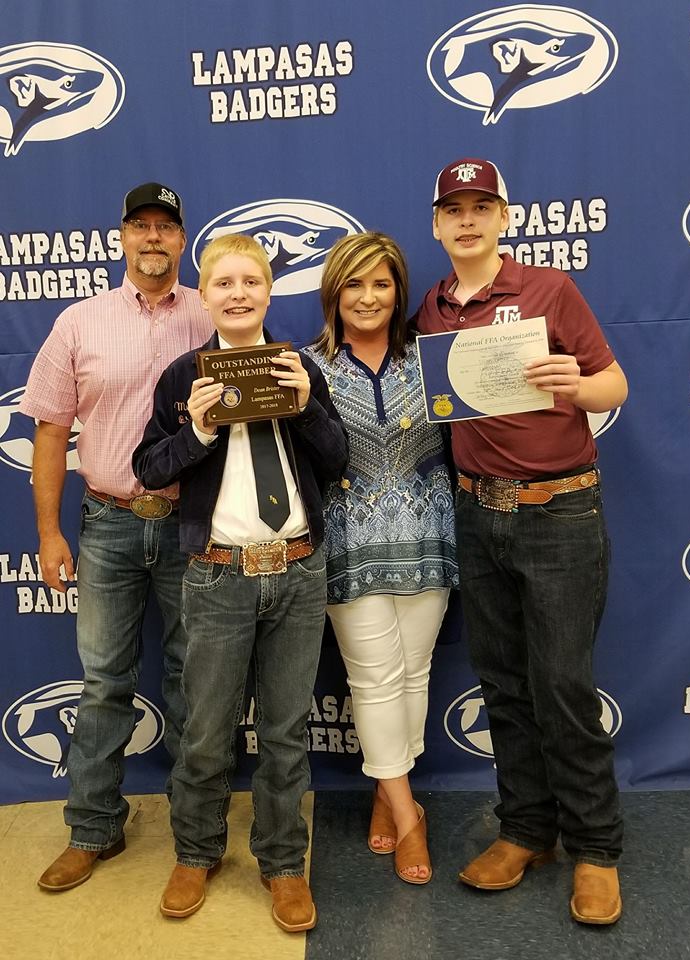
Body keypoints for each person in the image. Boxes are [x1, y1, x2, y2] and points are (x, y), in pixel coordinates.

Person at [416, 157, 627, 924]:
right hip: (478, 513)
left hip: (559, 513)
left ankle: (596, 847)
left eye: (482, 206)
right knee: (502, 682)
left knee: (563, 684)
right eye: (454, 209)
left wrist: (578, 384)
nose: (467, 219)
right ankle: (527, 830)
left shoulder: (549, 289)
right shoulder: (432, 310)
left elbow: (614, 385)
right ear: (437, 224)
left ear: (504, 217)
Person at [132, 233, 347, 932]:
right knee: (206, 731)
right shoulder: (182, 375)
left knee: (286, 731)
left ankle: (284, 864)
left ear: (268, 288)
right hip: (219, 574)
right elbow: (147, 466)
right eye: (222, 283)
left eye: (250, 281)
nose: (238, 293)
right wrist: (194, 430)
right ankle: (196, 852)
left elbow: (338, 458)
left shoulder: (297, 365)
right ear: (206, 293)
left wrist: (308, 402)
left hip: (297, 567)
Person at [20, 182, 212, 892]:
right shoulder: (79, 321)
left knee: (197, 682)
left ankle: (199, 836)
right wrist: (48, 533)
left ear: (183, 240)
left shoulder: (211, 310)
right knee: (104, 683)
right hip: (106, 523)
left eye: (167, 226)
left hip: (194, 524)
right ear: (122, 237)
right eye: (142, 226)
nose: (154, 237)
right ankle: (94, 828)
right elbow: (48, 430)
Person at [304, 232, 458, 885]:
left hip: (428, 533)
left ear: (398, 292)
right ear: (333, 292)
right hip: (349, 543)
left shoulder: (434, 358)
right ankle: (409, 815)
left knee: (415, 673)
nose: (368, 297)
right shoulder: (304, 366)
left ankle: (385, 793)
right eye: (354, 284)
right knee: (373, 679)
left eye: (381, 283)